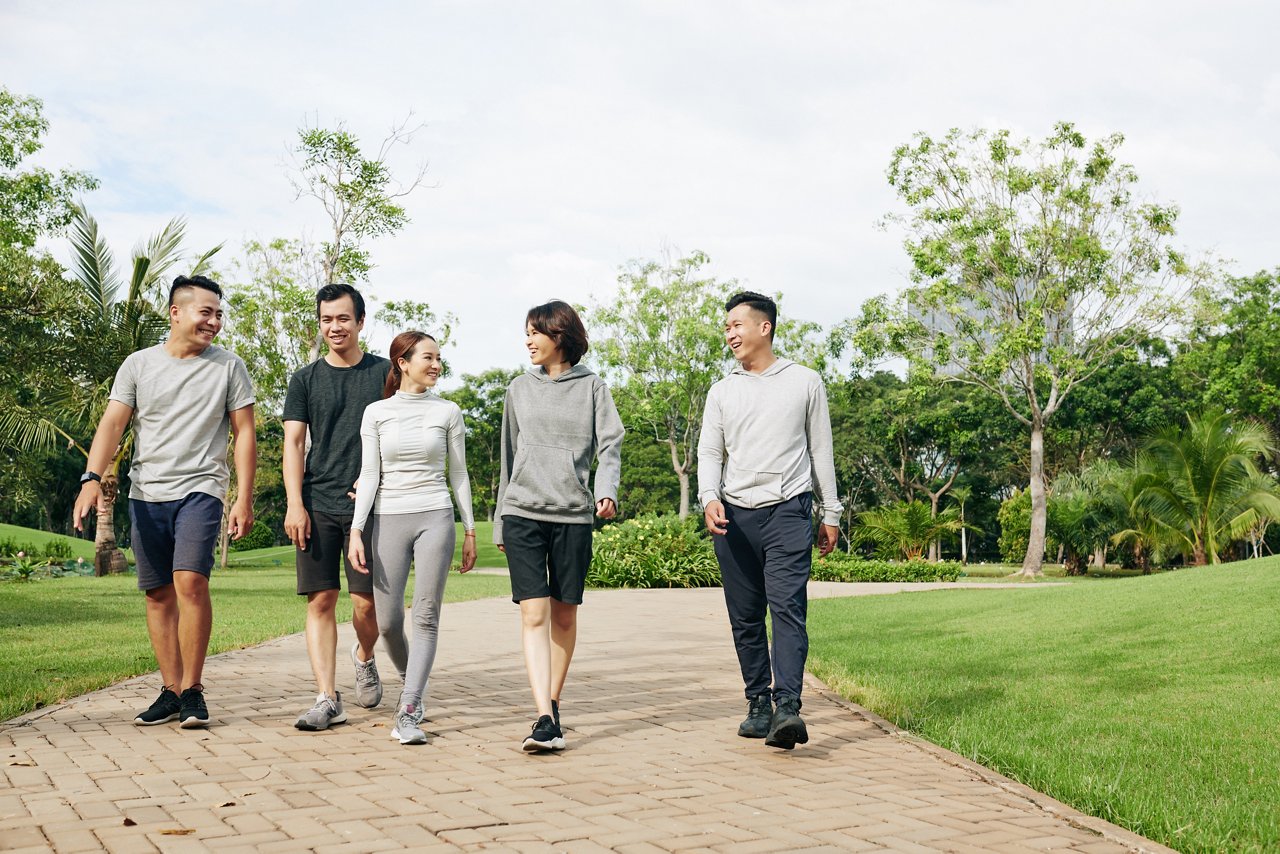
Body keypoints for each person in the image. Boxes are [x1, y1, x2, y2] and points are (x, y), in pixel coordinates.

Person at [74, 274, 256, 729]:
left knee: (189, 581)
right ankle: (171, 690)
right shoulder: (138, 365)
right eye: (205, 312)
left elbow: (245, 433)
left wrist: (243, 498)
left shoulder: (228, 367)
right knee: (157, 594)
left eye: (218, 314)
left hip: (202, 487)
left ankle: (194, 690)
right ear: (175, 313)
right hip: (146, 492)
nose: (214, 321)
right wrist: (91, 478)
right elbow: (113, 424)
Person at [697, 291, 841, 750]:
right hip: (734, 517)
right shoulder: (722, 391)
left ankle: (788, 708)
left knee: (787, 610)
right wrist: (708, 498)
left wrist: (831, 510)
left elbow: (821, 451)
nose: (730, 333)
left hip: (788, 510)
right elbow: (710, 452)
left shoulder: (804, 382)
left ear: (765, 327)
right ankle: (758, 703)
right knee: (744, 616)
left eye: (737, 325)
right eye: (726, 327)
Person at [494, 300, 624, 752]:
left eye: (535, 332)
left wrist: (606, 488)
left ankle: (552, 701)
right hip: (523, 510)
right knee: (534, 613)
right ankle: (544, 717)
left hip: (572, 513)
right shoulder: (517, 388)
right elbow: (509, 457)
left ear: (560, 335)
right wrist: (499, 521)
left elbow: (610, 443)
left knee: (563, 613)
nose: (528, 341)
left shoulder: (593, 388)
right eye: (525, 333)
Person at [348, 331, 477, 745]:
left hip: (435, 515)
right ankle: (410, 679)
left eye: (440, 358)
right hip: (388, 517)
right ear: (402, 362)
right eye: (428, 358)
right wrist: (356, 528)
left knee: (425, 615)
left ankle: (409, 707)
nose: (437, 365)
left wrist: (470, 528)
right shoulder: (376, 413)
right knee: (387, 623)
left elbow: (458, 474)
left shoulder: (448, 412)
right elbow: (370, 474)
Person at [283, 284, 389, 731]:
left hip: (372, 506)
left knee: (367, 604)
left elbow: (399, 434)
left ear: (361, 322)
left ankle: (364, 656)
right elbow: (293, 441)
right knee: (321, 599)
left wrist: (377, 479)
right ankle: (328, 696)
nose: (334, 327)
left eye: (343, 318)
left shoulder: (387, 373)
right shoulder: (305, 379)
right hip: (318, 502)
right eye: (327, 319)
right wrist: (294, 504)